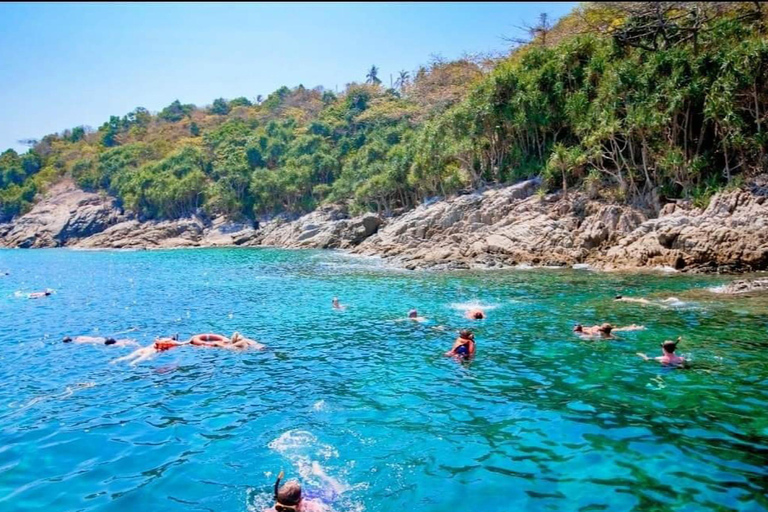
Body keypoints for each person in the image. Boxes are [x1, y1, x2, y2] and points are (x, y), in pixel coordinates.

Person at [63, 336, 139, 347]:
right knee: (119, 341)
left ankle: (134, 344)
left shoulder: (78, 342)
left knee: (117, 344)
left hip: (102, 342)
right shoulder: (79, 337)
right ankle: (134, 343)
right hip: (101, 339)